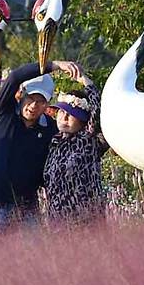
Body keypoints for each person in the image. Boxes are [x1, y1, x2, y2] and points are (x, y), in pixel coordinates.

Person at [0, 59, 81, 234]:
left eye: (41, 101)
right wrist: (55, 65)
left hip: (27, 210)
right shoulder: (3, 113)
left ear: (47, 103)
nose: (33, 106)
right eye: (31, 98)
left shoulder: (50, 128)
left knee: (33, 260)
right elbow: (14, 77)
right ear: (21, 94)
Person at [43, 71, 108, 222]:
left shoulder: (88, 139)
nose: (64, 118)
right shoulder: (54, 143)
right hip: (58, 222)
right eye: (61, 112)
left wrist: (86, 82)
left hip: (85, 220)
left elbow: (97, 110)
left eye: (71, 115)